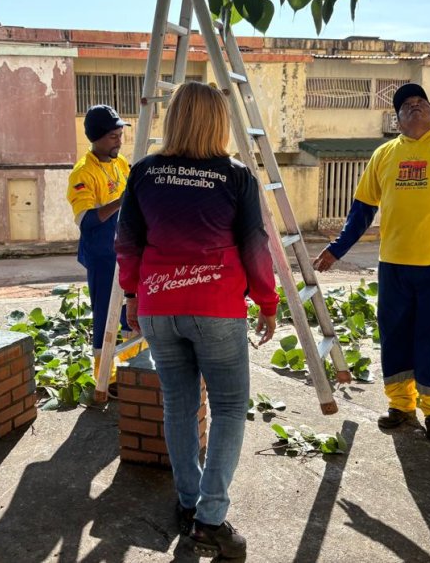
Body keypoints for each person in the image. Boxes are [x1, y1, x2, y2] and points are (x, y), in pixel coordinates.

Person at [115, 82, 278, 559]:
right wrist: (267, 302)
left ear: (175, 118)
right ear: (218, 121)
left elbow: (127, 242)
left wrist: (131, 294)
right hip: (216, 308)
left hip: (158, 306)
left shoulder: (144, 171)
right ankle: (210, 519)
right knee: (227, 409)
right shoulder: (236, 176)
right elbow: (255, 247)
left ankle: (189, 505)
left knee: (178, 406)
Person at [313, 83, 430, 443]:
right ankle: (401, 407)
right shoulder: (384, 155)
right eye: (405, 105)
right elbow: (361, 212)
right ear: (396, 120)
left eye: (420, 101)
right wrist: (336, 250)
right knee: (395, 338)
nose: (413, 106)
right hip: (394, 266)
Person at [67, 105, 140, 390]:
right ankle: (104, 376)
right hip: (101, 254)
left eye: (121, 135)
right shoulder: (83, 174)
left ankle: (131, 365)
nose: (119, 141)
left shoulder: (120, 163)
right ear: (96, 138)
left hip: (125, 250)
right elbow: (87, 221)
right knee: (104, 313)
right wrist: (123, 198)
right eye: (113, 136)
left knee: (128, 313)